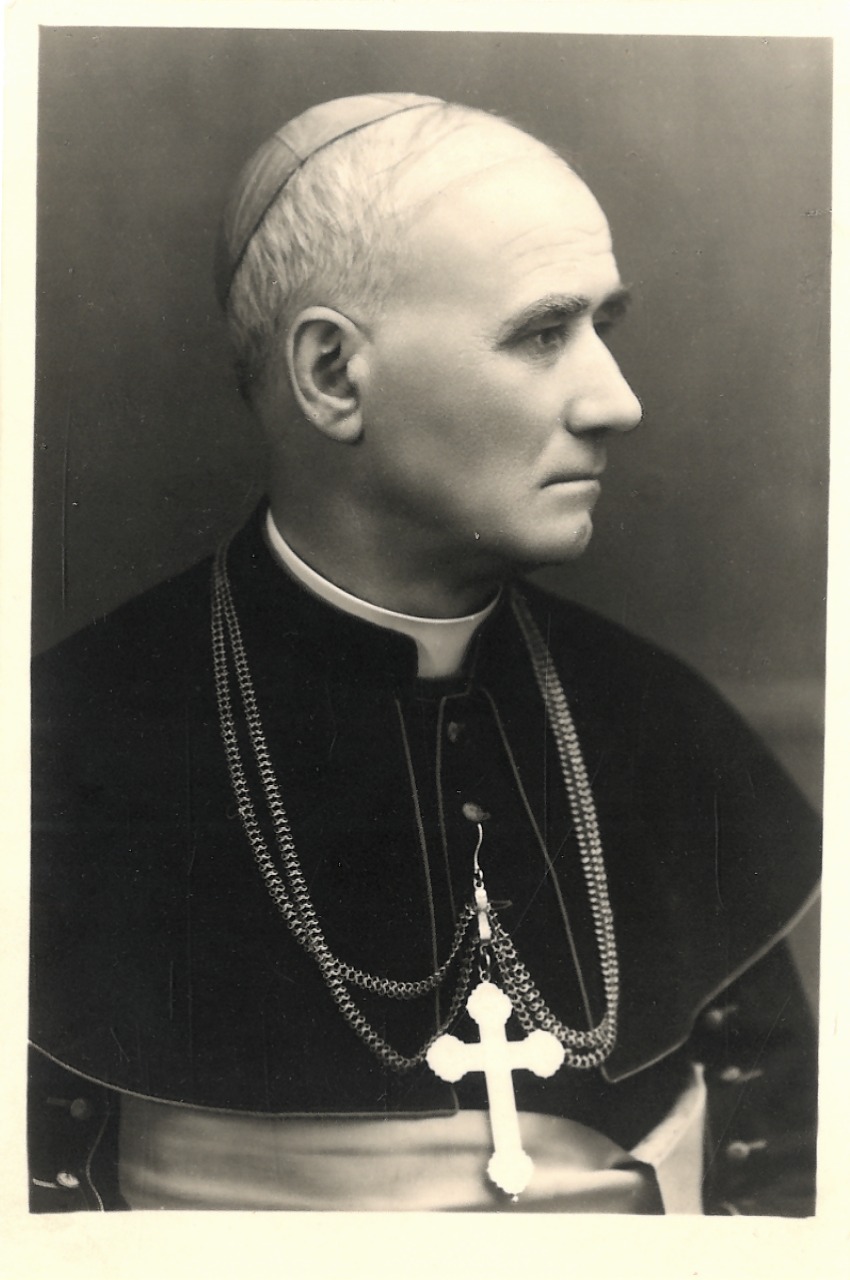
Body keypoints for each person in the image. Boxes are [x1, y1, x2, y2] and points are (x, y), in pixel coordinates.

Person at [28, 93, 820, 1214]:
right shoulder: (69, 740)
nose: (618, 401)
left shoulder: (657, 720)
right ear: (332, 375)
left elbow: (781, 1175)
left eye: (605, 327)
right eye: (542, 334)